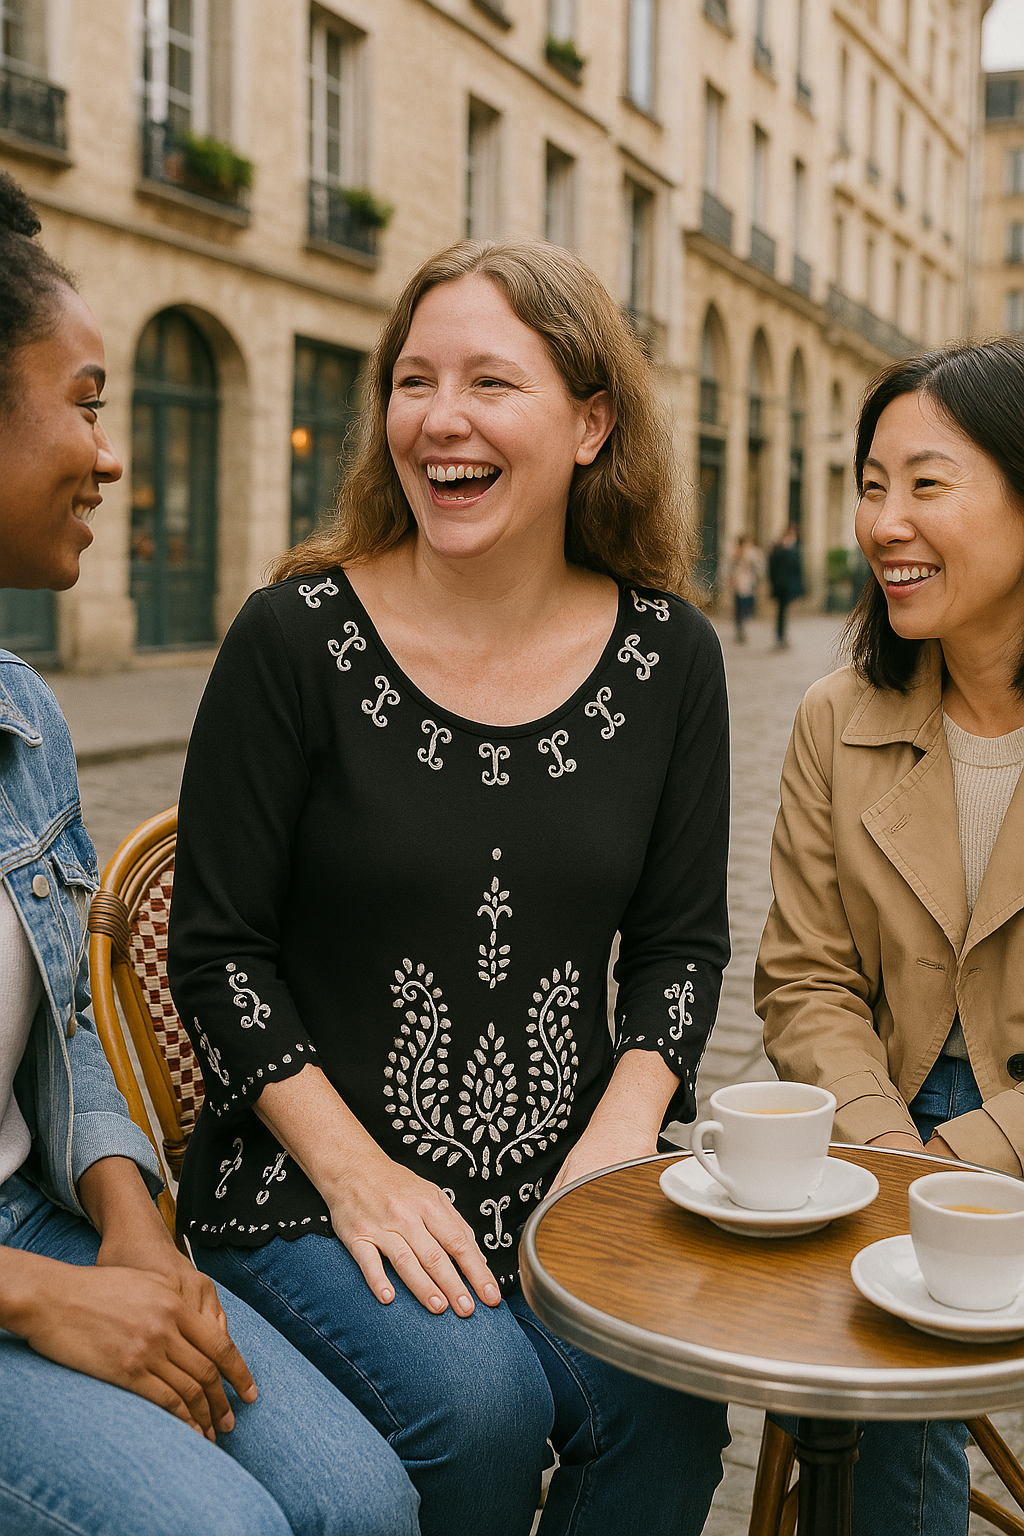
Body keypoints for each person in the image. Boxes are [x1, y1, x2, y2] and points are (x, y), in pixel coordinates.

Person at [167, 238, 733, 1536]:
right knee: (475, 1412)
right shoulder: (293, 639)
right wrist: (360, 1174)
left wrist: (616, 1141)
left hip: (569, 1178)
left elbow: (681, 947)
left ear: (592, 424)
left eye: (490, 381)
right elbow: (216, 952)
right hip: (309, 1186)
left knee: (671, 1401)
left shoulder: (671, 658)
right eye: (412, 381)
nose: (440, 419)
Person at [0, 172, 420, 1536]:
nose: (112, 453)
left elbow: (65, 1038)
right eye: (86, 399)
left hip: (43, 1216)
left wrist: (130, 1230)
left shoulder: (23, 715)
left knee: (362, 1498)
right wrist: (43, 1299)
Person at [755, 337, 1024, 1535]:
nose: (883, 521)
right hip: (882, 1116)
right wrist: (884, 1148)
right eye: (871, 484)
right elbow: (803, 976)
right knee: (878, 1344)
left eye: (926, 483)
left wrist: (967, 1161)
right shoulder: (835, 715)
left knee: (888, 1345)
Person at [768, 523, 803, 648]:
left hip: (788, 586)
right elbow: (773, 566)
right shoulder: (779, 548)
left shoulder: (795, 549)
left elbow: (797, 568)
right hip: (780, 586)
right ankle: (780, 636)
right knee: (781, 612)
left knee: (784, 612)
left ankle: (782, 636)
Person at [725, 533, 764, 642]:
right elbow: (728, 569)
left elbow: (759, 568)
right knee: (738, 608)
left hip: (749, 585)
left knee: (747, 607)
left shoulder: (753, 554)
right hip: (738, 585)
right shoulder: (734, 554)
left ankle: (744, 627)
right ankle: (739, 630)